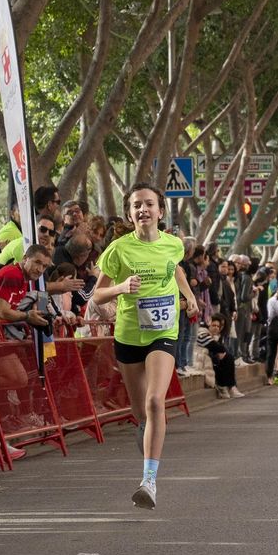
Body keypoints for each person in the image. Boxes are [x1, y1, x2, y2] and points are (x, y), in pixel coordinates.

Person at [91, 182, 200, 510]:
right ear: (130, 213)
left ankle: (149, 481)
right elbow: (96, 295)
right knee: (140, 411)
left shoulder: (173, 245)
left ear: (160, 211)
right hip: (128, 335)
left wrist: (189, 296)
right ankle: (145, 429)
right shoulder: (118, 250)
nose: (143, 209)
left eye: (149, 204)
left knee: (156, 401)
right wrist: (121, 287)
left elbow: (175, 270)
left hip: (163, 330)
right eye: (137, 205)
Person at [196, 315, 243, 399]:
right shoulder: (202, 333)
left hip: (211, 362)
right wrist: (221, 352)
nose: (216, 328)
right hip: (200, 362)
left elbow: (218, 348)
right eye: (213, 325)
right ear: (209, 324)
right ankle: (224, 386)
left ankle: (230, 387)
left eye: (218, 326)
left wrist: (221, 353)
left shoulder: (216, 337)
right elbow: (214, 346)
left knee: (228, 358)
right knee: (226, 357)